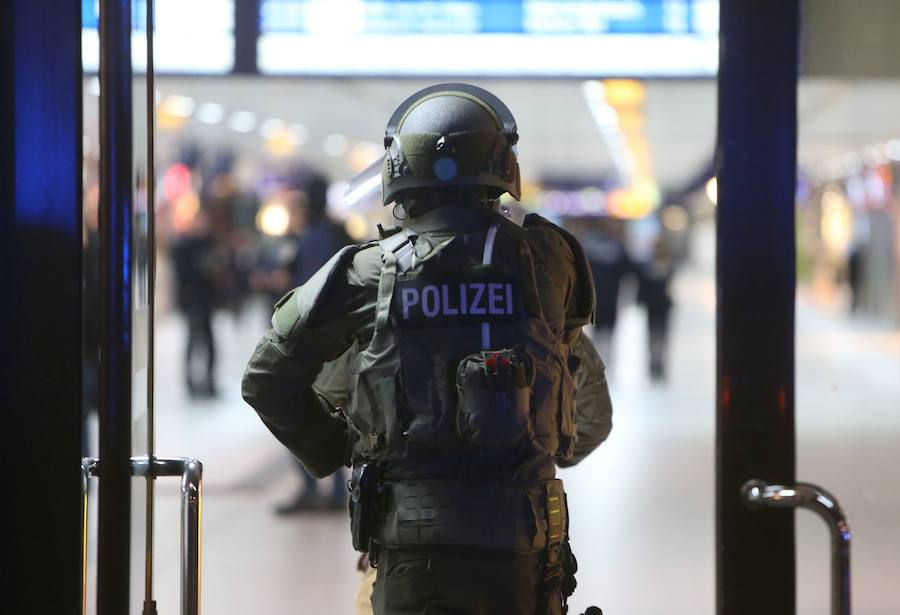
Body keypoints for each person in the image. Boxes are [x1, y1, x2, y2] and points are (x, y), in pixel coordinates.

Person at [242, 83, 613, 615]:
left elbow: (266, 378)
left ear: (399, 172)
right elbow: (576, 388)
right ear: (501, 167)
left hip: (410, 540)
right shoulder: (552, 260)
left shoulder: (368, 271)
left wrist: (337, 447)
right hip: (525, 540)